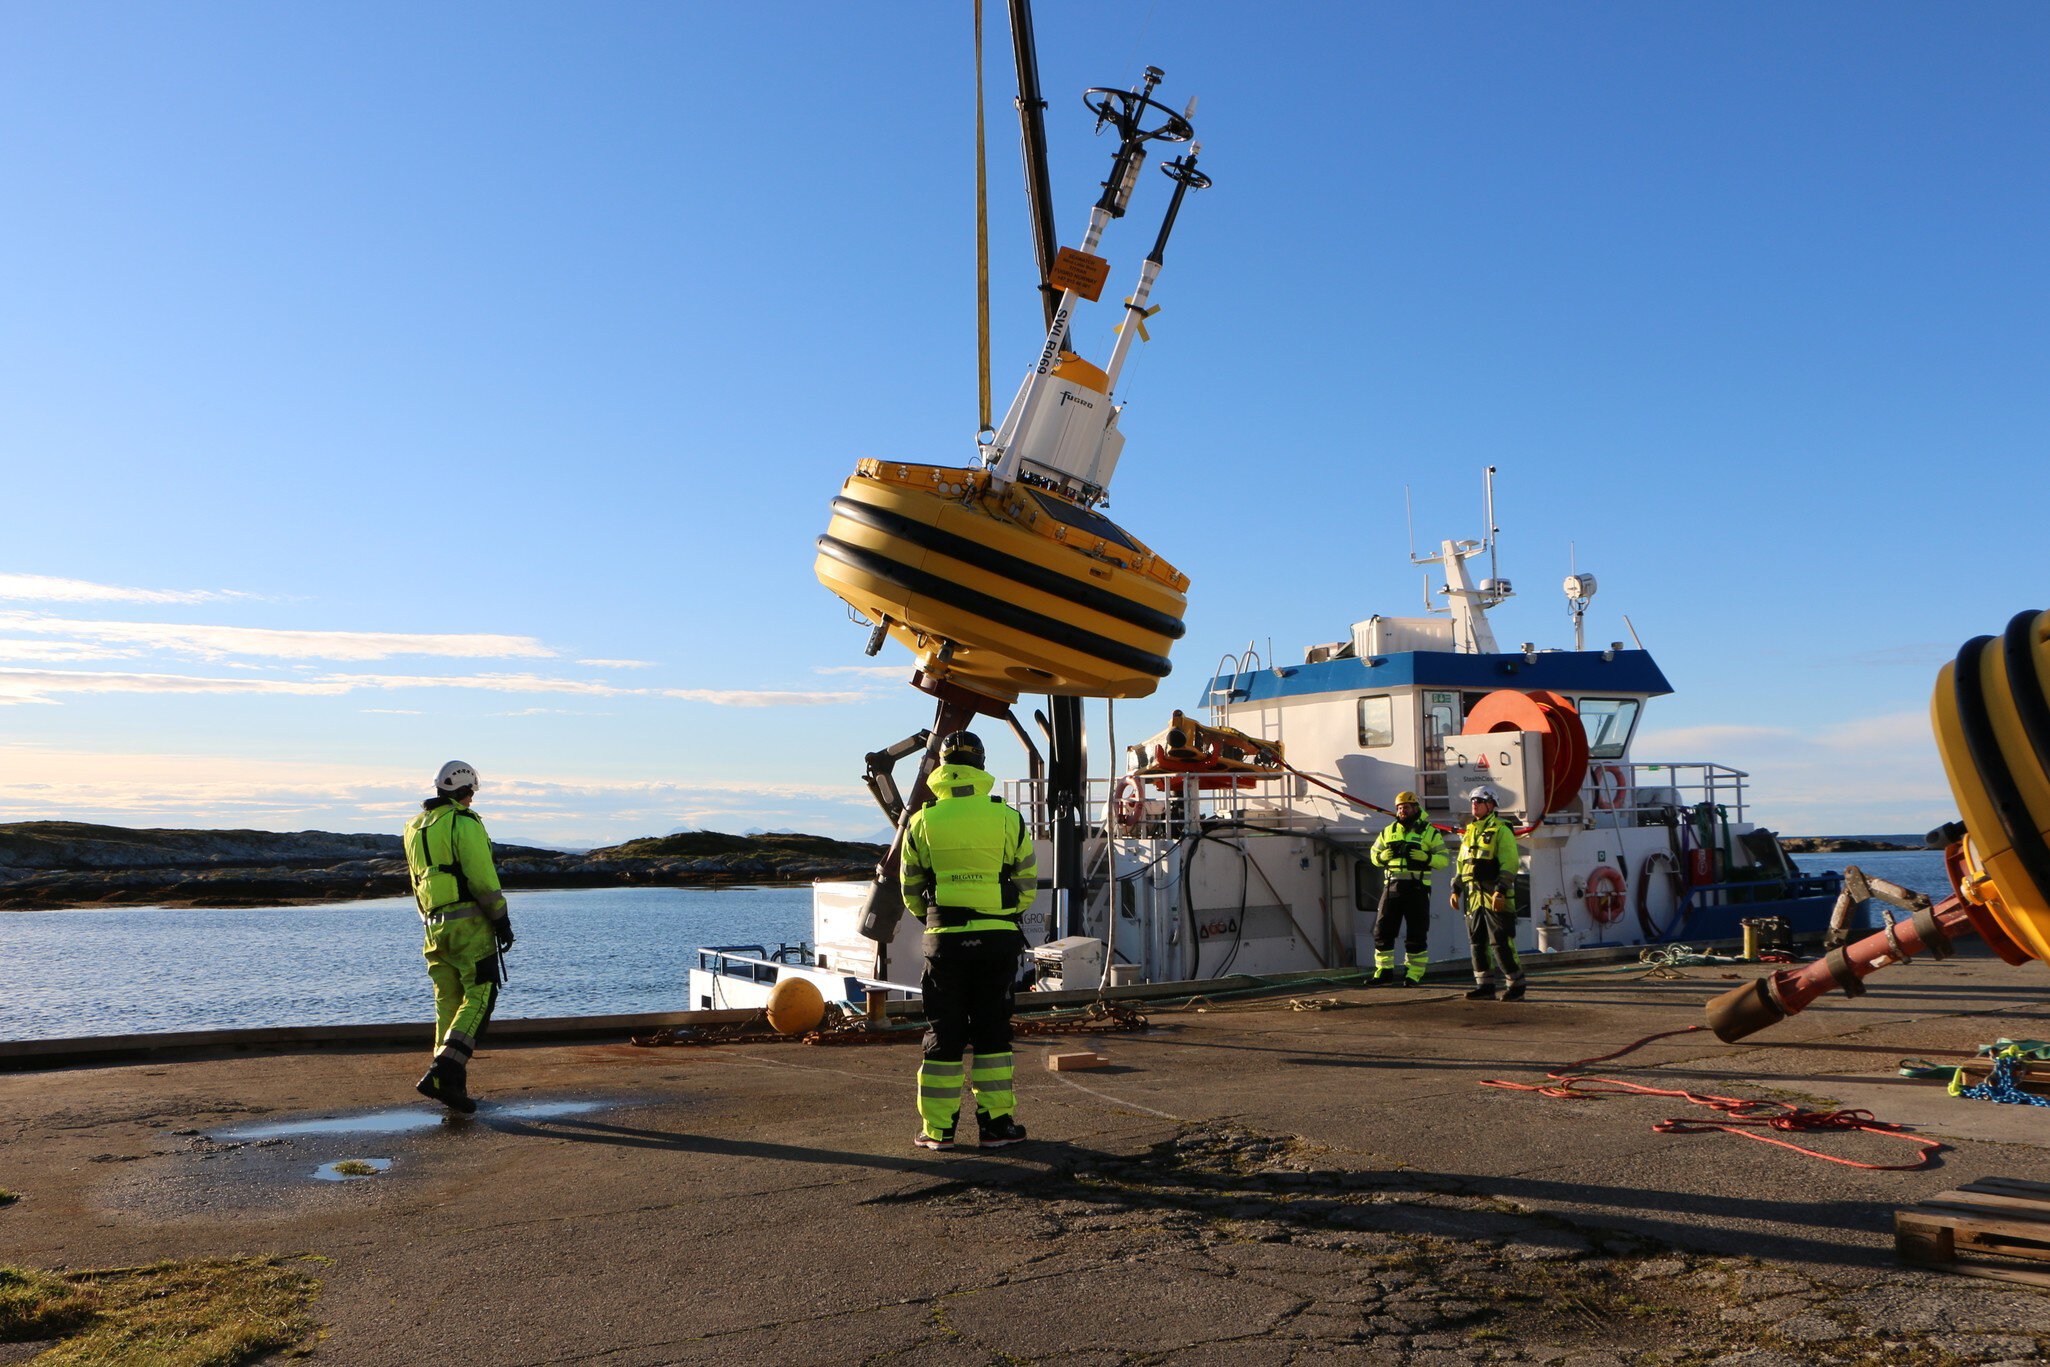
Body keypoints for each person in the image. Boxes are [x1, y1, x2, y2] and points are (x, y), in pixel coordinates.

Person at [901, 730, 1037, 1151]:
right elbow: (1027, 881)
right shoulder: (1007, 817)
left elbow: (910, 887)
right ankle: (996, 1127)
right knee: (993, 1033)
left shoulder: (922, 820)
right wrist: (1001, 914)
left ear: (941, 767)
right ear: (981, 765)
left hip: (945, 944)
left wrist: (936, 919)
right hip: (997, 941)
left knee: (944, 1032)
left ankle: (938, 1131)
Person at [402, 760, 515, 1113]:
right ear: (466, 792)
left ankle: (452, 1088)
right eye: (471, 795)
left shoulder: (414, 828)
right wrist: (501, 920)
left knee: (448, 1005)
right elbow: (482, 878)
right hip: (469, 926)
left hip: (433, 927)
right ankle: (443, 1071)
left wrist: (429, 920)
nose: (471, 801)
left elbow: (416, 882)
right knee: (481, 994)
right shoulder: (463, 822)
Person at [1367, 791, 1447, 985]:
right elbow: (1374, 855)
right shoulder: (1388, 831)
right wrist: (1382, 857)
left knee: (1416, 933)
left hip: (1417, 888)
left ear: (1415, 808)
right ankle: (1383, 972)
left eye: (1406, 807)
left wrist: (1426, 858)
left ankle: (1414, 974)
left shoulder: (1430, 831)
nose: (1402, 811)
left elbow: (1443, 859)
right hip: (1392, 887)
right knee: (1382, 931)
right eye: (1399, 808)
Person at [1455, 785, 1524, 1001]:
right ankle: (1485, 987)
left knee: (1501, 942)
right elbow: (1461, 864)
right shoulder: (1470, 831)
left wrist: (1501, 890)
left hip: (1494, 894)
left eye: (1479, 800)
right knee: (1477, 942)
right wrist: (1456, 888)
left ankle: (1516, 985)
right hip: (1474, 896)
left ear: (1491, 805)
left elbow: (1510, 862)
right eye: (1472, 801)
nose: (1474, 804)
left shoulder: (1502, 830)